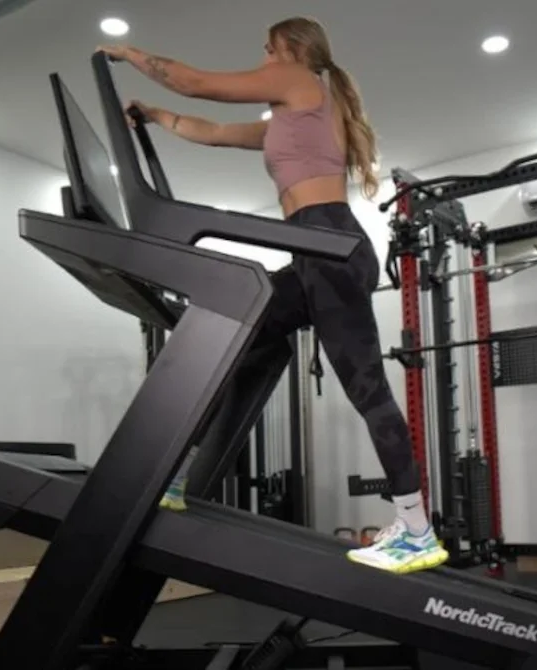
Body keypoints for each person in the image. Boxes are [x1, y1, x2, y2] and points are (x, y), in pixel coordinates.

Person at [97, 16, 448, 575]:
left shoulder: (301, 81)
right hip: (311, 250)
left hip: (327, 244)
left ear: (294, 49)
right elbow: (208, 128)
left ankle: (416, 530)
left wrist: (131, 54)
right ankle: (178, 473)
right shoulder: (291, 117)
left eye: (269, 46)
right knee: (231, 333)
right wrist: (155, 117)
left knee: (365, 386)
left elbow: (198, 82)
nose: (264, 55)